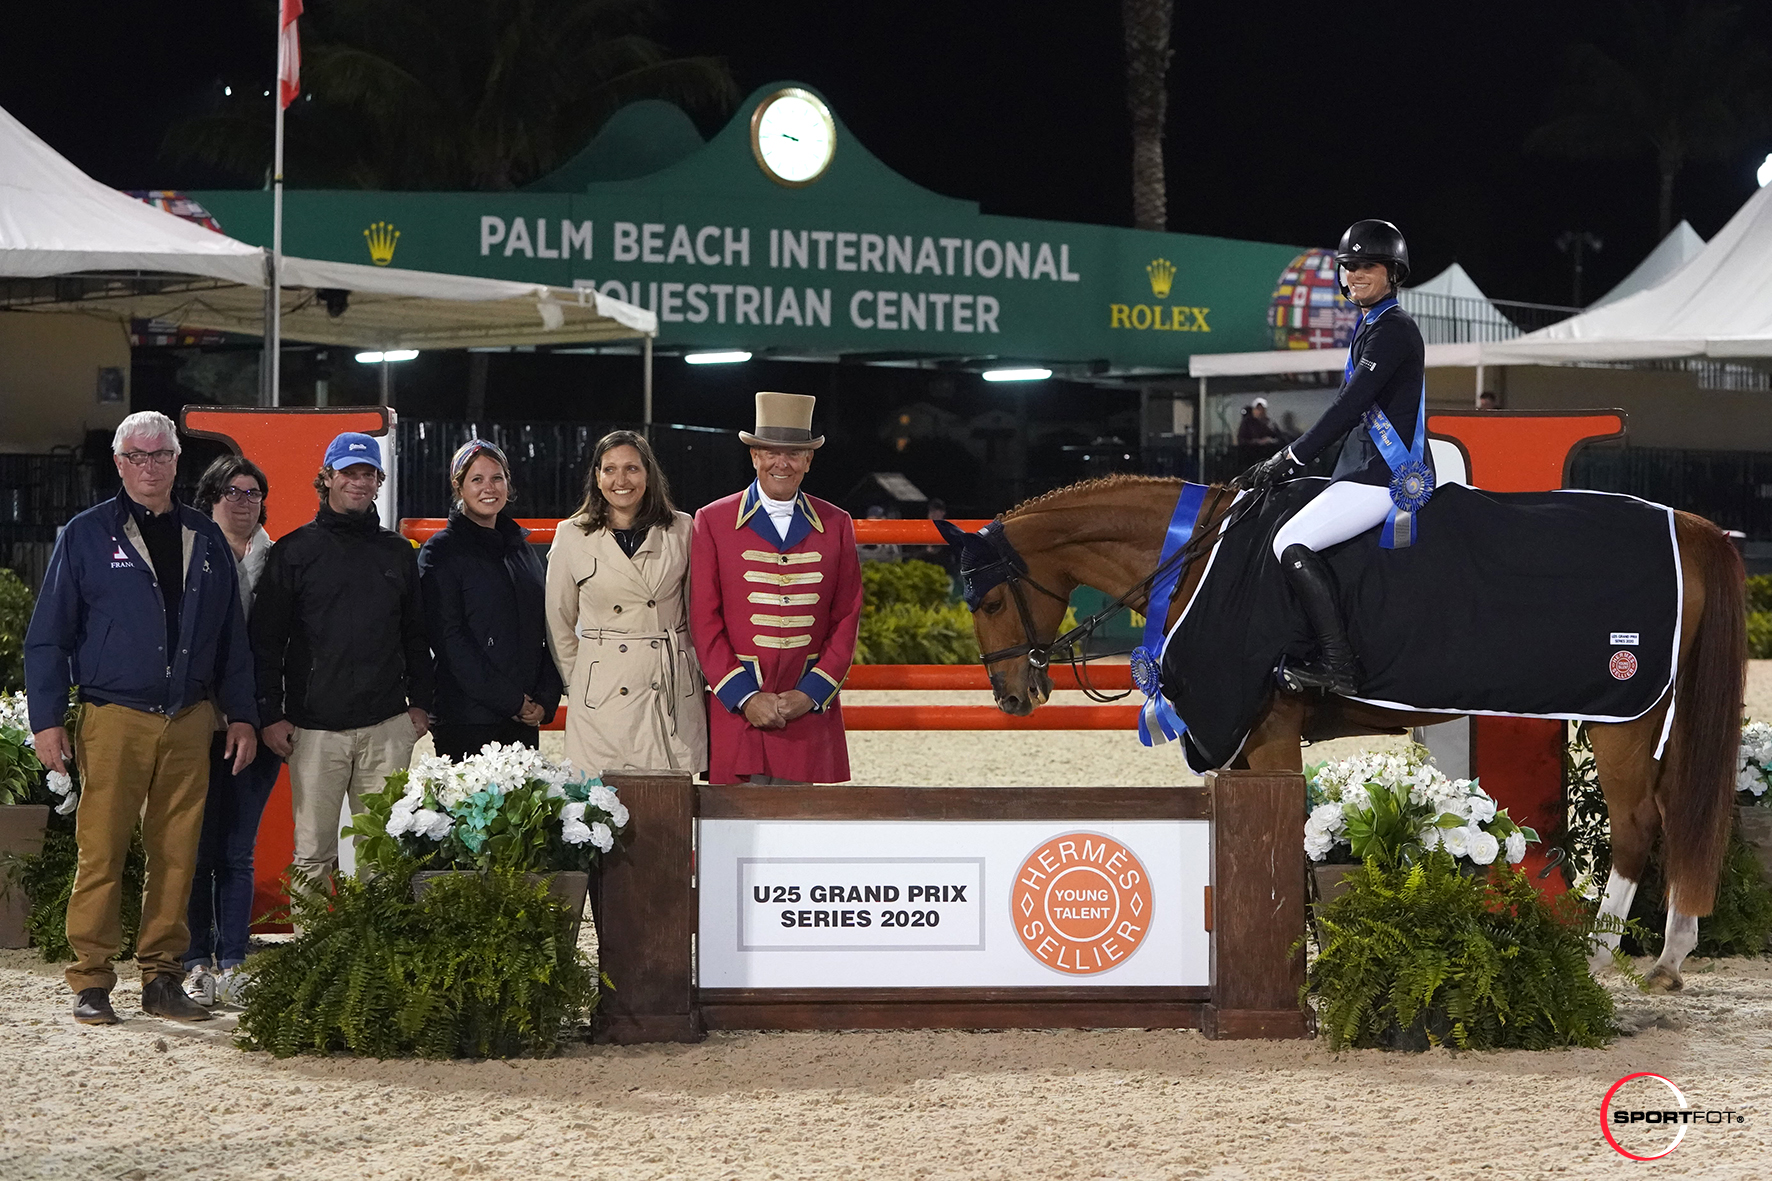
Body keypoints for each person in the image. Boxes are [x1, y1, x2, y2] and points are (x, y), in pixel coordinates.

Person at [23, 411, 257, 1025]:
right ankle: (92, 980)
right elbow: (48, 638)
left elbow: (231, 637)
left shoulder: (204, 538)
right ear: (121, 464)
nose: (151, 466)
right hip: (113, 717)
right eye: (138, 456)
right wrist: (46, 720)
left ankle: (161, 976)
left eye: (162, 455)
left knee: (177, 853)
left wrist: (241, 716)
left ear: (177, 462)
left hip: (189, 718)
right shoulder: (85, 535)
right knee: (100, 850)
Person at [1238, 219, 1431, 696]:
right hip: (1365, 467)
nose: (1355, 275)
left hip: (1390, 473)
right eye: (1348, 267)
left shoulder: (1393, 329)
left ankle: (1338, 665)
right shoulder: (1371, 326)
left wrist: (1291, 457)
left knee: (1291, 542)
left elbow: (1349, 405)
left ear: (1393, 271)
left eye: (1367, 266)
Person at [251, 432, 434, 892]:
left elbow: (416, 633)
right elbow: (267, 640)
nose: (358, 482)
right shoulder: (293, 552)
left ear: (378, 482)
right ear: (327, 477)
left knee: (382, 852)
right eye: (349, 472)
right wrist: (270, 713)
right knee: (312, 854)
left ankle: (374, 957)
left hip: (387, 725)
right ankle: (310, 958)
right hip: (313, 731)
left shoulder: (396, 552)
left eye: (367, 473)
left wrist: (421, 706)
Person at [690, 393, 863, 785]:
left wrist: (811, 692)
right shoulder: (712, 520)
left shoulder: (836, 523)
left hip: (806, 715)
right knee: (732, 835)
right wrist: (746, 697)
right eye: (770, 451)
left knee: (799, 838)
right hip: (737, 712)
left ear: (808, 460)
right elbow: (703, 620)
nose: (781, 463)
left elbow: (847, 616)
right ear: (754, 456)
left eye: (794, 453)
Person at [181, 454, 282, 1008]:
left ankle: (235, 961)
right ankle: (197, 960)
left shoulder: (280, 560)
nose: (243, 501)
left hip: (259, 726)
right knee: (199, 849)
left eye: (253, 492)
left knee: (237, 850)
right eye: (232, 491)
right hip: (200, 724)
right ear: (211, 497)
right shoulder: (190, 555)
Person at [545, 430, 706, 775]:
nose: (621, 480)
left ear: (648, 475)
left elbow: (699, 610)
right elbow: (558, 619)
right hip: (602, 691)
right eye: (609, 469)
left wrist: (691, 667)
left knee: (669, 805)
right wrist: (579, 680)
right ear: (597, 477)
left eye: (632, 469)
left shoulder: (681, 528)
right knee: (598, 806)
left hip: (667, 686)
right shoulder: (572, 535)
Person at [418, 439, 562, 761]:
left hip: (525, 717)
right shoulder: (440, 551)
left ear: (508, 483)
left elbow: (547, 626)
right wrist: (511, 701)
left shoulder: (522, 550)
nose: (489, 488)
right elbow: (449, 639)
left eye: (497, 478)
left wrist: (545, 699)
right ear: (459, 487)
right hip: (467, 719)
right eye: (477, 479)